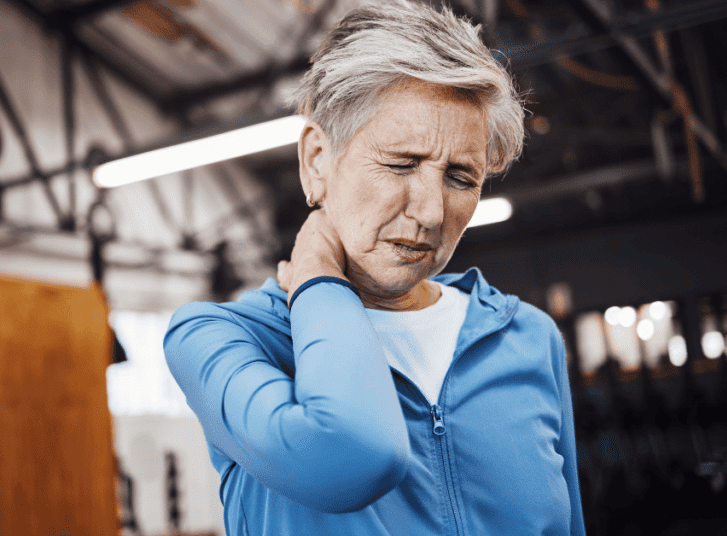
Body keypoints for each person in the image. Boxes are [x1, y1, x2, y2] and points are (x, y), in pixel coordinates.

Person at [164, 1, 585, 534]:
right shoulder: (225, 338)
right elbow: (350, 454)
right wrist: (318, 275)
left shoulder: (526, 337)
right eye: (400, 164)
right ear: (317, 161)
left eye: (460, 177)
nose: (431, 212)